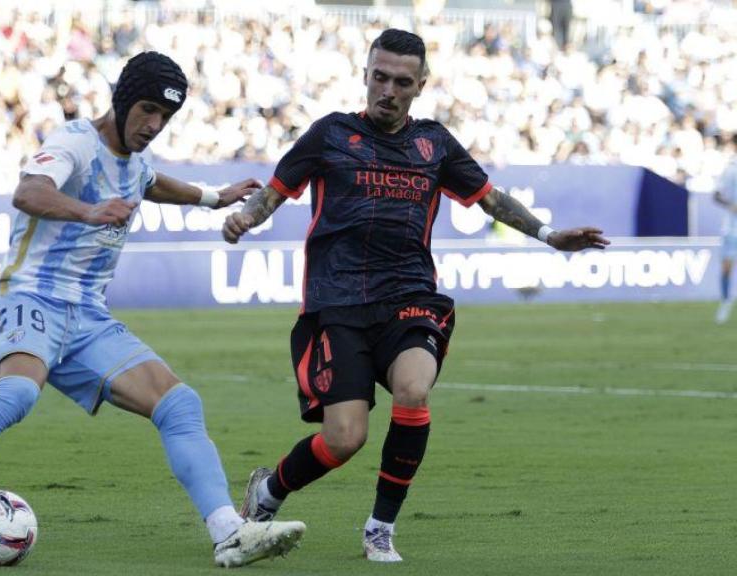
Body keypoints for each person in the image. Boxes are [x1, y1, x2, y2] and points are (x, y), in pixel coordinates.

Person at [0, 52, 305, 570]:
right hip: (29, 295)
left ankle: (229, 532)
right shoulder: (74, 142)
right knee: (15, 395)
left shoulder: (134, 157)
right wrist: (87, 210)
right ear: (123, 100)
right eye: (146, 110)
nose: (153, 126)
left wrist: (215, 197)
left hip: (87, 316)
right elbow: (28, 192)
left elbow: (150, 181)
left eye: (164, 118)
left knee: (179, 404)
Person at [222, 29, 609, 563]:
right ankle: (268, 493)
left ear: (421, 85)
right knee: (344, 439)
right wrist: (246, 218)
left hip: (409, 296)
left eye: (402, 82)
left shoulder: (434, 144)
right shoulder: (329, 134)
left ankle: (380, 527)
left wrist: (548, 236)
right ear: (365, 75)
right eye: (380, 77)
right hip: (339, 303)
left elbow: (491, 199)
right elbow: (274, 191)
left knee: (413, 390)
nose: (388, 90)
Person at [713, 159, 737, 324]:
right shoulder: (731, 169)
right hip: (732, 228)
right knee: (726, 267)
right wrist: (731, 205)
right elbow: (716, 195)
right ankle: (725, 302)